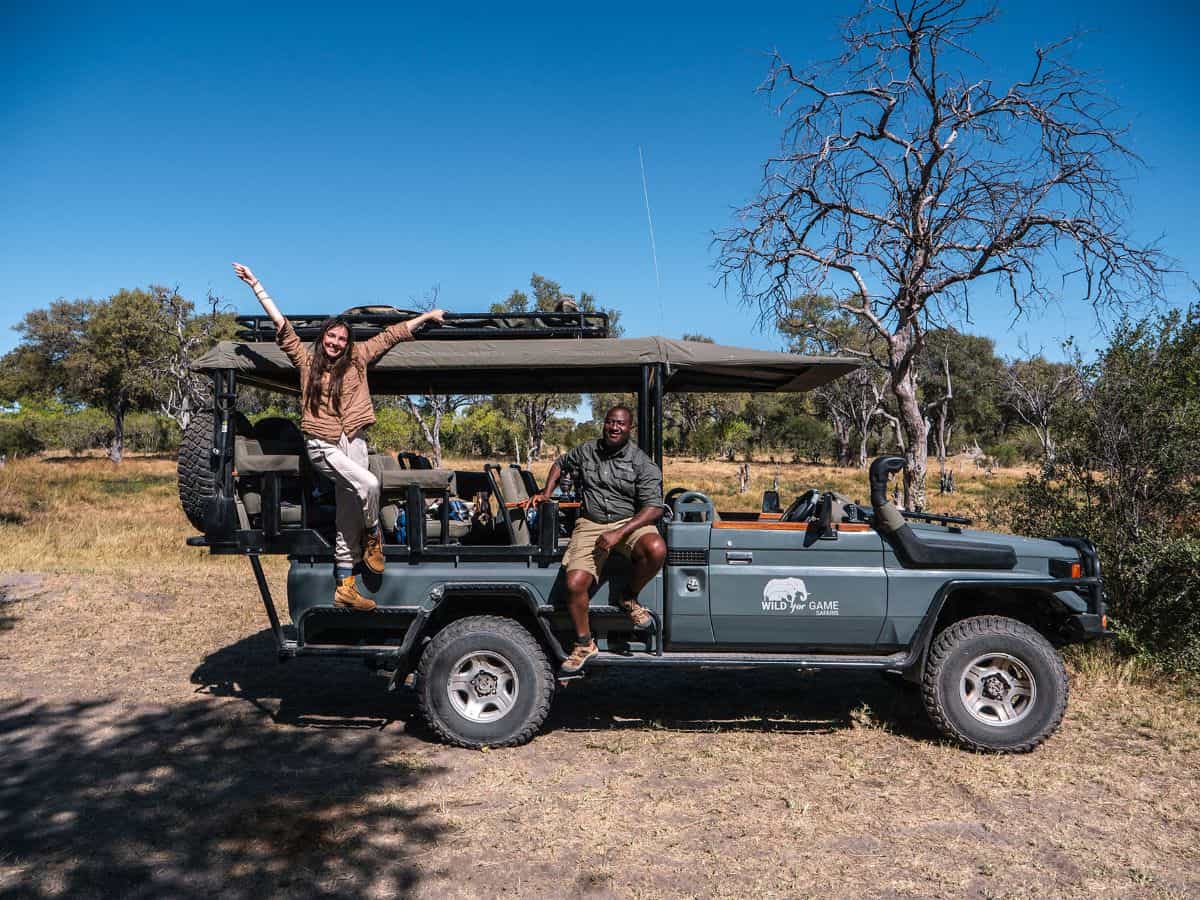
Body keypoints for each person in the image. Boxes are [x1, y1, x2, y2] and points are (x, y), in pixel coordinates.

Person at [232, 262, 445, 611]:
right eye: (331, 337)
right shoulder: (306, 361)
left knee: (348, 517)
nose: (335, 342)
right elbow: (282, 325)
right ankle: (375, 538)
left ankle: (344, 585)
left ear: (348, 343)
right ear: (323, 338)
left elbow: (391, 335)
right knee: (370, 486)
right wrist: (256, 285)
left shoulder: (358, 359)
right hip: (322, 443)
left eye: (341, 339)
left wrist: (426, 317)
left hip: (355, 440)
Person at [528, 405, 668, 673]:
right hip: (590, 523)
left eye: (621, 424)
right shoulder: (586, 450)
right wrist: (546, 492)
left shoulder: (641, 462)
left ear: (630, 429)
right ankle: (584, 643)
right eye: (610, 422)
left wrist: (619, 533)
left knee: (656, 547)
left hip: (629, 522)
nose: (614, 427)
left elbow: (654, 508)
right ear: (604, 424)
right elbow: (560, 464)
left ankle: (628, 598)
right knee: (574, 583)